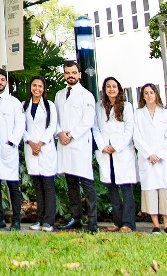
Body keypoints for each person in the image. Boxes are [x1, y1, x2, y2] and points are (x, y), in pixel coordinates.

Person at [55, 61, 98, 232]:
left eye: (73, 72)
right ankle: (75, 218)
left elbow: (87, 121)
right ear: (64, 75)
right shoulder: (59, 95)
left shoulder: (86, 95)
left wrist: (70, 135)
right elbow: (55, 118)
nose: (70, 75)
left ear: (79, 74)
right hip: (64, 144)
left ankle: (92, 221)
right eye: (67, 73)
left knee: (87, 184)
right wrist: (59, 133)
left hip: (79, 144)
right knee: (71, 183)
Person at [95, 77, 137, 232]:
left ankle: (128, 223)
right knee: (112, 188)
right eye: (108, 87)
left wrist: (116, 146)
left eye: (114, 86)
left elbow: (129, 130)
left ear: (119, 89)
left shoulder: (126, 106)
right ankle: (117, 221)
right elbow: (96, 128)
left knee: (126, 189)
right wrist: (103, 146)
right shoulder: (99, 107)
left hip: (122, 152)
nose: (111, 89)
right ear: (104, 90)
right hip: (106, 152)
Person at [0, 70, 25, 231]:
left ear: (6, 82)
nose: (0, 82)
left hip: (8, 149)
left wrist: (11, 142)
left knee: (12, 186)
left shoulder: (14, 102)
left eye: (3, 80)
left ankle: (16, 220)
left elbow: (20, 125)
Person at [132, 84, 167, 233]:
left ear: (156, 94)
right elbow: (136, 136)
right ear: (142, 96)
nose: (149, 95)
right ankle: (156, 224)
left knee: (165, 190)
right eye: (146, 93)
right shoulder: (137, 114)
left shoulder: (165, 114)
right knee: (150, 190)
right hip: (147, 158)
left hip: (162, 159)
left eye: (151, 92)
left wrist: (159, 154)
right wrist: (149, 154)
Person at [22, 76, 58, 231]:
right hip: (31, 149)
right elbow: (21, 127)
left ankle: (49, 221)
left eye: (40, 86)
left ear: (44, 89)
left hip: (46, 148)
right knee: (37, 186)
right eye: (34, 85)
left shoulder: (49, 106)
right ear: (30, 87)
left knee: (48, 185)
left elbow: (52, 126)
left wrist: (40, 143)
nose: (37, 89)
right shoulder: (24, 106)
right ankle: (39, 218)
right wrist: (30, 142)